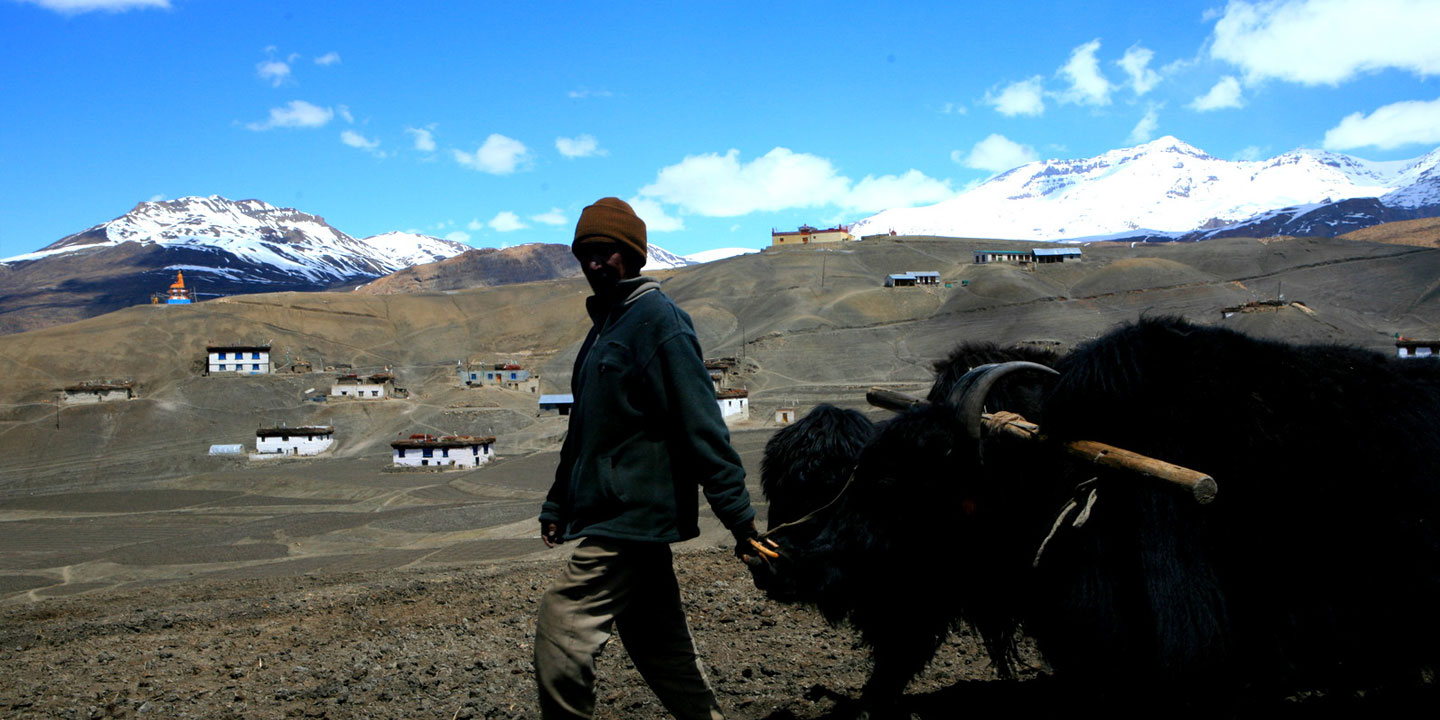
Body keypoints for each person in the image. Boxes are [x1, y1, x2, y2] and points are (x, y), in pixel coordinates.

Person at [533, 197, 760, 720]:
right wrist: (556, 502)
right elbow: (586, 430)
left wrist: (741, 523)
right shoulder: (606, 327)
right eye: (585, 254)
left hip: (631, 517)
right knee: (665, 655)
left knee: (561, 626)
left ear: (633, 255)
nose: (595, 264)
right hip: (623, 517)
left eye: (607, 251)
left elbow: (701, 427)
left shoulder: (660, 323)